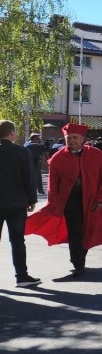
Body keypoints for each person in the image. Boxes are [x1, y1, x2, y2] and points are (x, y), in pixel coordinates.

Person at [26, 122, 102, 277]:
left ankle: (80, 259)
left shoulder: (96, 155)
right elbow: (53, 184)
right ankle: (78, 263)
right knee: (75, 232)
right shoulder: (59, 158)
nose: (71, 140)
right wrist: (53, 204)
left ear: (82, 139)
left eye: (75, 137)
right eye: (68, 138)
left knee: (88, 231)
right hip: (69, 202)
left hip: (91, 201)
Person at [1, 120, 41, 287]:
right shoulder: (22, 152)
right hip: (17, 203)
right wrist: (32, 199)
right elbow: (29, 178)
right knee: (17, 240)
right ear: (11, 133)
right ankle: (22, 276)